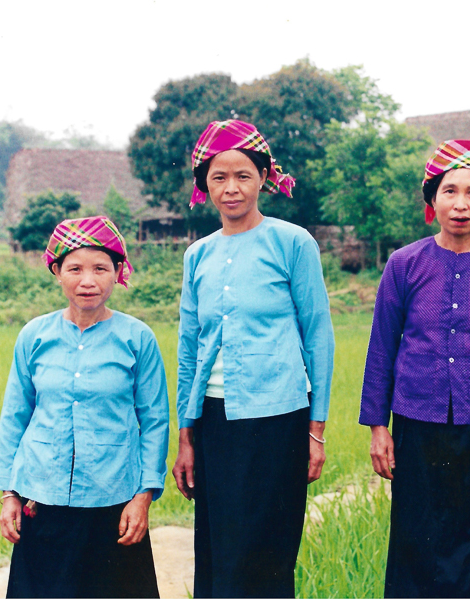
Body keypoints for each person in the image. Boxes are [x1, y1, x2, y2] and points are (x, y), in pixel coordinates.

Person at [360, 140, 470, 598]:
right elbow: (382, 349)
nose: (461, 204)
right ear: (432, 199)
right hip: (417, 429)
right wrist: (379, 428)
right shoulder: (404, 265)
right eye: (449, 191)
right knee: (419, 541)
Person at [171, 120, 335, 598]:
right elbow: (189, 348)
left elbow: (318, 336)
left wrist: (315, 430)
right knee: (219, 548)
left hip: (278, 420)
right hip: (214, 421)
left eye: (243, 175)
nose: (232, 188)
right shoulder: (197, 256)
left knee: (268, 550)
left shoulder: (293, 243)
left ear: (264, 177)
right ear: (204, 185)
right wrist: (186, 434)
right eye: (219, 177)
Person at [0, 216, 169, 598]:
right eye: (75, 269)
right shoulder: (34, 336)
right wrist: (9, 494)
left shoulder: (137, 338)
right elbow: (15, 416)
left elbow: (155, 421)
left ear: (118, 272)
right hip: (42, 500)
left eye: (100, 268)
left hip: (114, 502)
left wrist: (143, 497)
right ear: (56, 272)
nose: (88, 280)